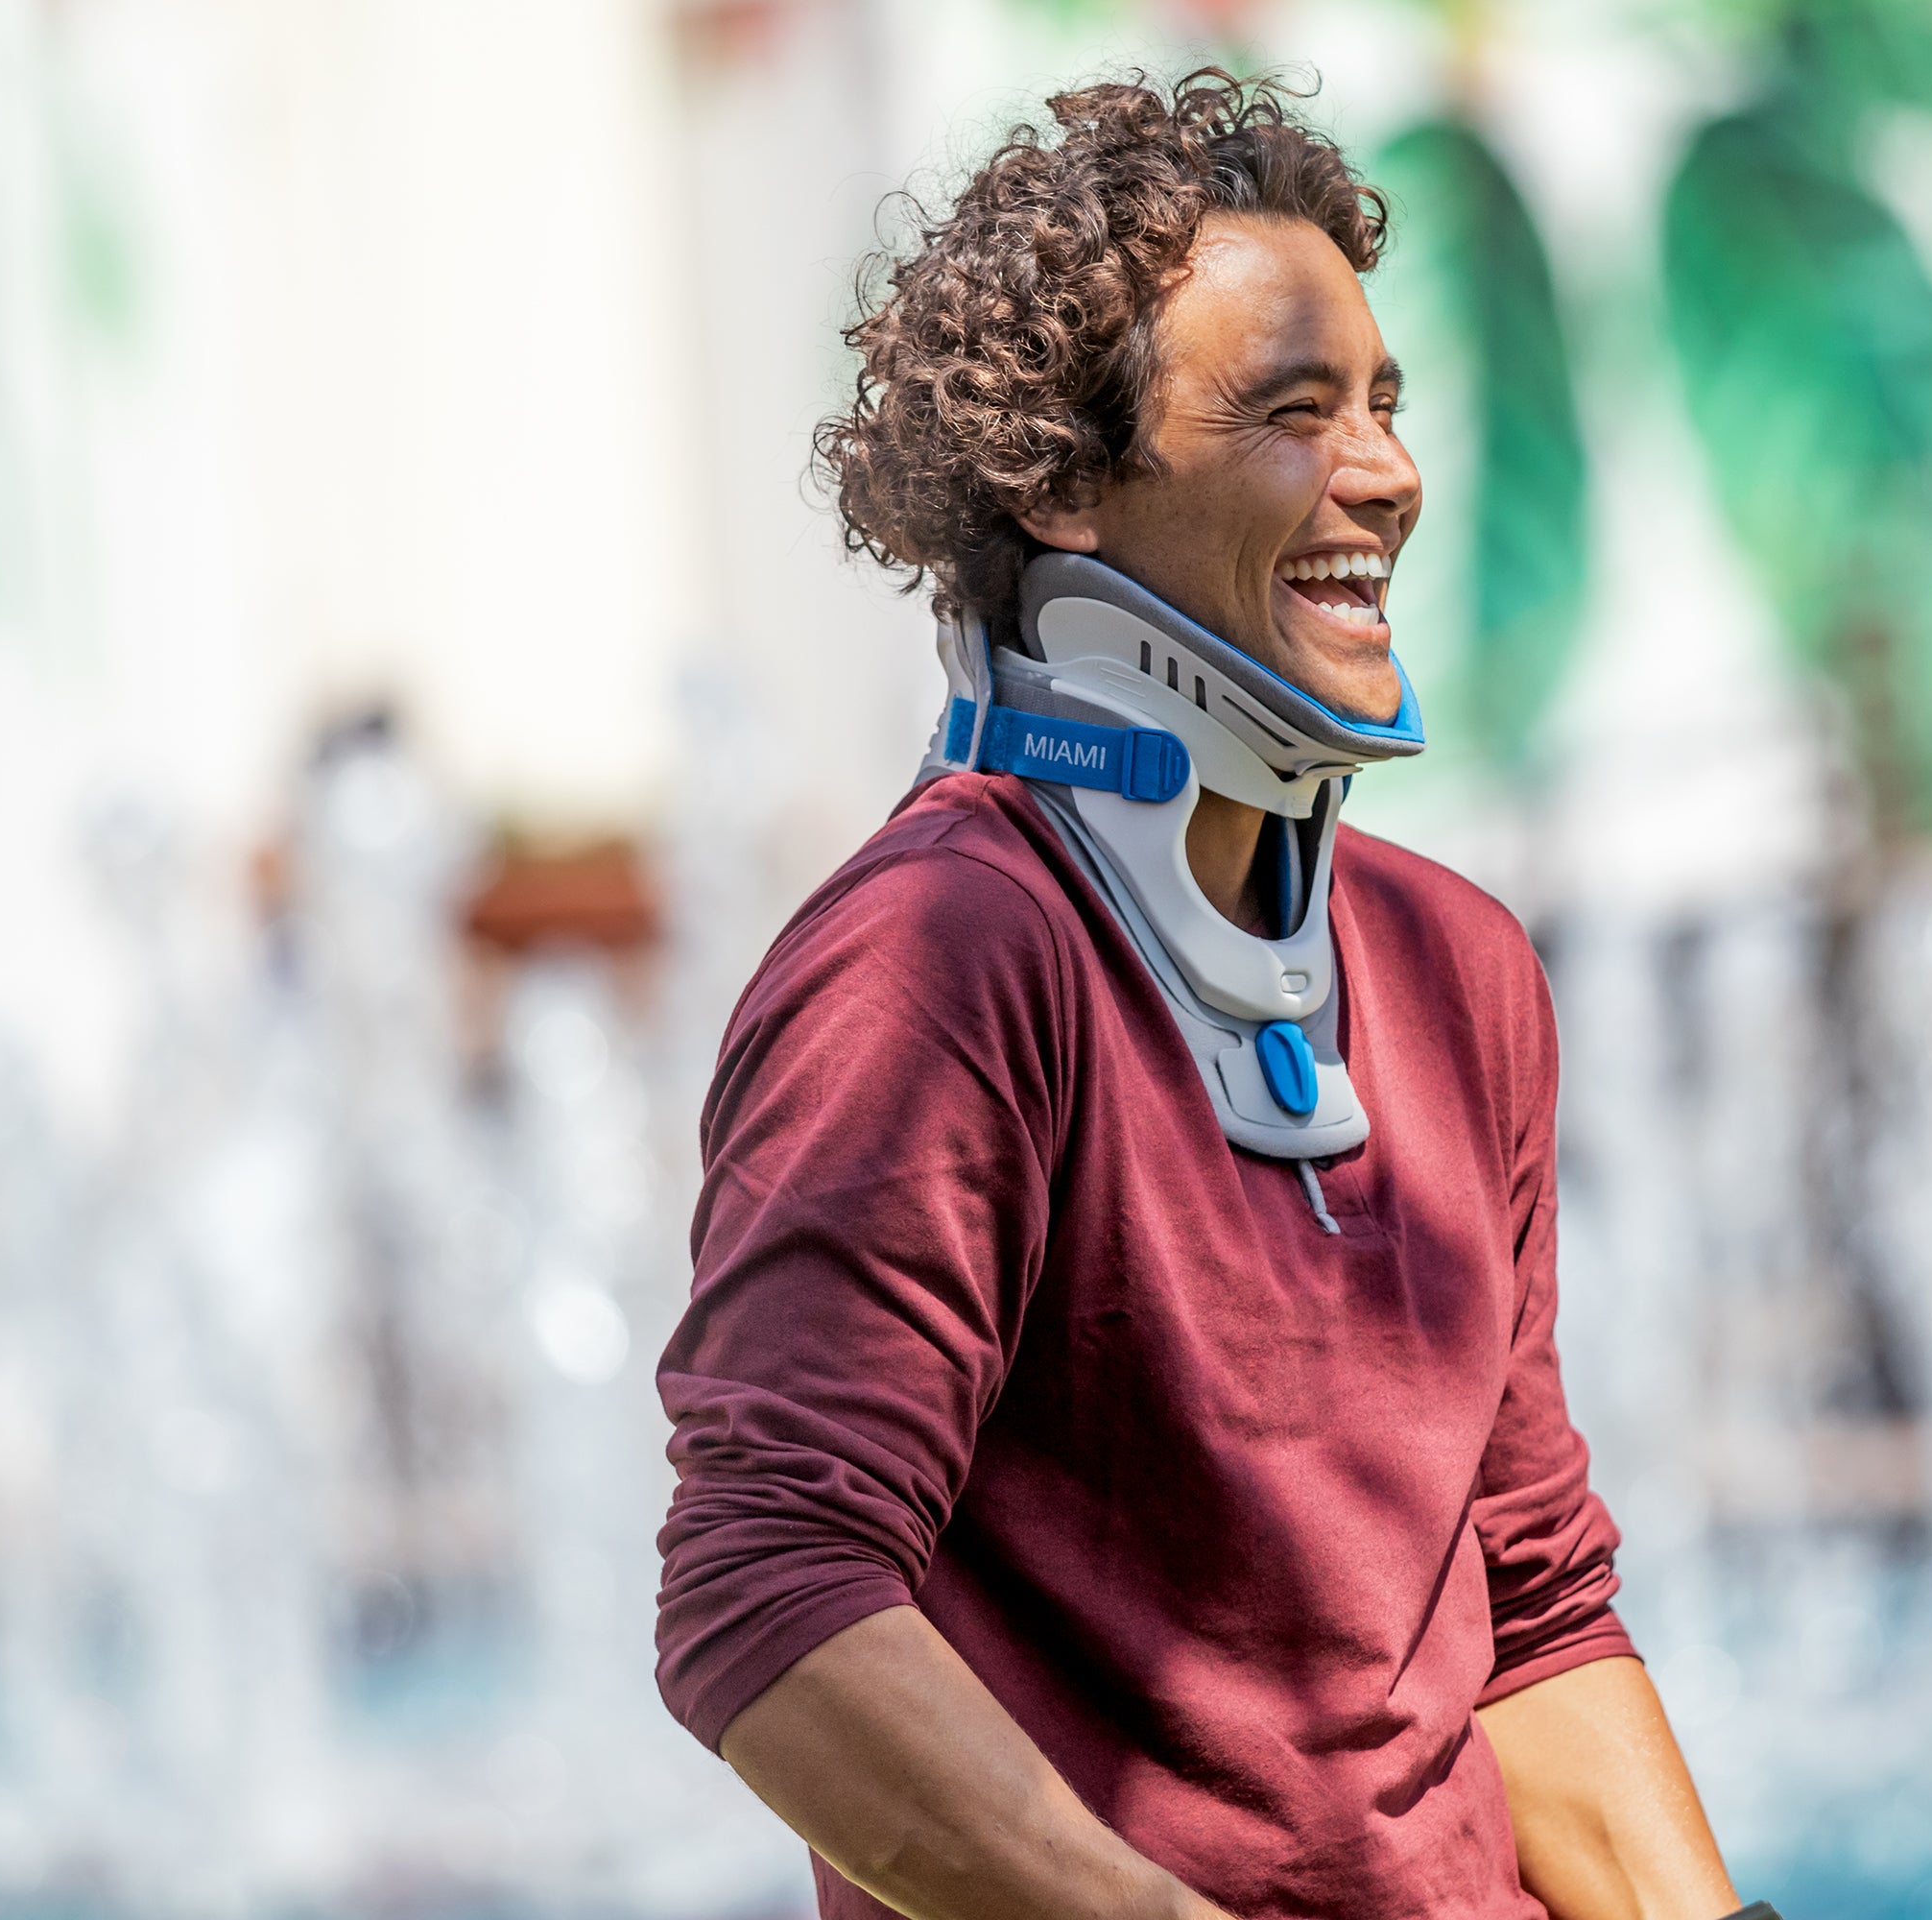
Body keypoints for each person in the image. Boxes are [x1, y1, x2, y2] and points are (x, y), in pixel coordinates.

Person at [654, 69, 1753, 1920]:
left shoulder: (1456, 971)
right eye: (1290, 411)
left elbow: (1536, 1613)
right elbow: (767, 1593)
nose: (1386, 473)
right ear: (1064, 481)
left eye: (1385, 404)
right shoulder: (939, 964)